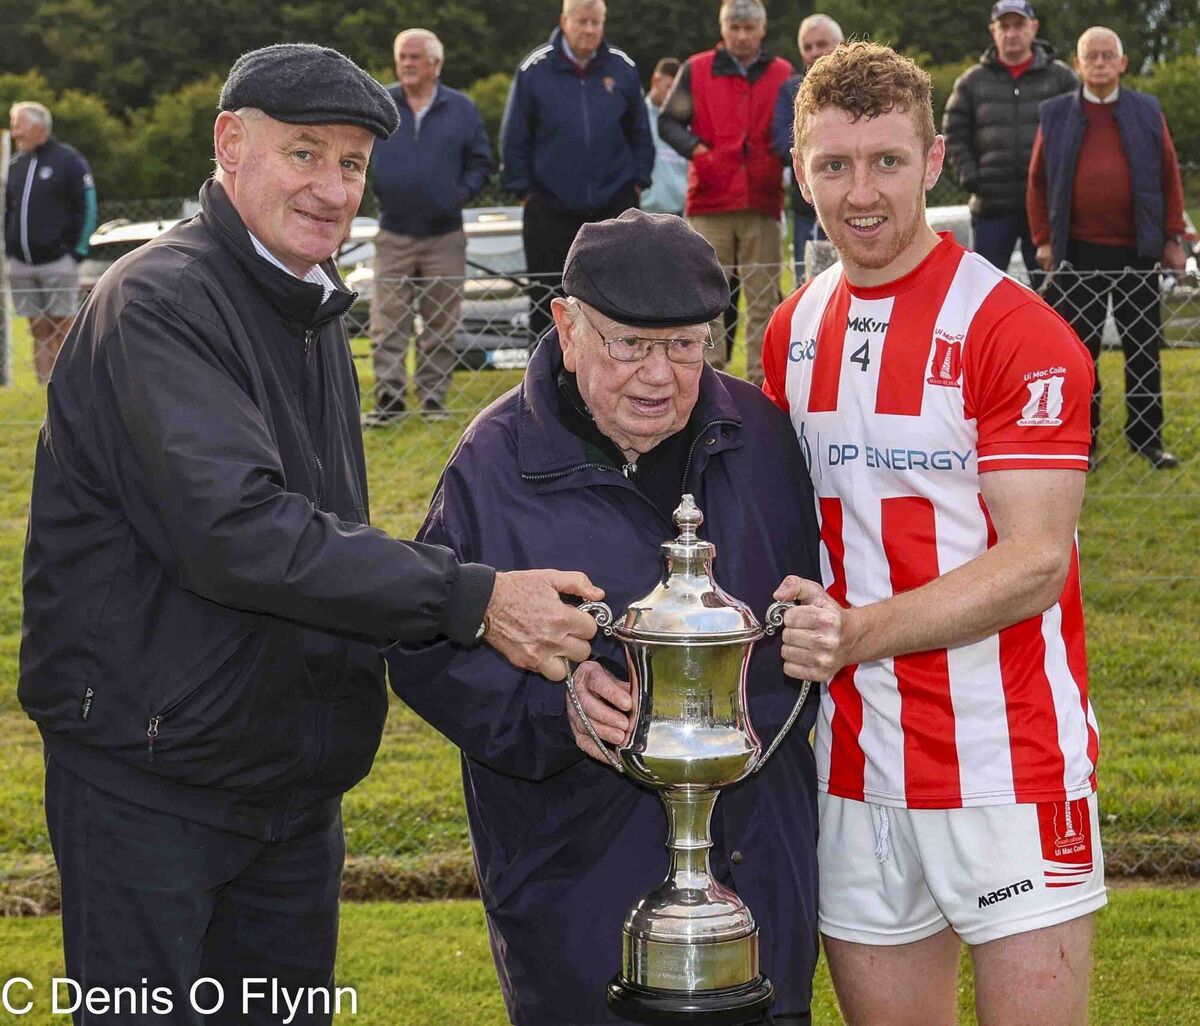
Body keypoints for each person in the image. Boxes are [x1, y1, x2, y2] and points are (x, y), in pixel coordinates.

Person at [19, 44, 605, 1026]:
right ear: (230, 146)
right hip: (154, 784)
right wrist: (475, 597)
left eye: (351, 164)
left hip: (288, 786)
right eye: (305, 154)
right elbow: (239, 533)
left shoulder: (307, 302)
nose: (332, 189)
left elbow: (326, 537)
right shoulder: (162, 300)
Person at [389, 209, 822, 1026]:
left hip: (761, 874)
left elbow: (817, 604)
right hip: (576, 880)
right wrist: (555, 713)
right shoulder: (494, 464)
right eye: (630, 344)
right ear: (567, 325)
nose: (659, 376)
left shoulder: (761, 436)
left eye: (687, 345)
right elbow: (424, 650)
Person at [763, 41, 1104, 1026]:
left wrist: (858, 634)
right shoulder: (791, 330)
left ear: (933, 160)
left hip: (1009, 764)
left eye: (886, 162)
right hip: (853, 768)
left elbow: (1036, 563)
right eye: (833, 165)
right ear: (800, 172)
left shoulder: (1014, 329)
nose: (859, 192)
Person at [1028, 26, 1186, 470]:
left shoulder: (1147, 111)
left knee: (1143, 347)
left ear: (1122, 63)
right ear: (1077, 65)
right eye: (1090, 56)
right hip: (1077, 254)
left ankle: (1147, 439)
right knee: (1081, 352)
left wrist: (1173, 236)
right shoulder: (1055, 114)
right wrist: (1043, 240)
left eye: (1106, 55)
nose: (1098, 63)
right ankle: (1085, 441)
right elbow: (1038, 183)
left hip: (1137, 251)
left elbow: (1169, 176)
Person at [500, 0, 653, 345]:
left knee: (619, 296)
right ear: (564, 21)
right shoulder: (534, 70)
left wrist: (637, 183)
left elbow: (641, 135)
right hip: (548, 210)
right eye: (582, 21)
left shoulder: (623, 68)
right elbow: (514, 138)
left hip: (612, 208)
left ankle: (616, 370)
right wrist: (526, 191)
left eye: (595, 22)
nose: (588, 30)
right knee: (546, 300)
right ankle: (545, 382)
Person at [658, 0, 793, 385]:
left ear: (761, 31)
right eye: (735, 28)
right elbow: (669, 122)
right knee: (706, 301)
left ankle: (763, 384)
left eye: (749, 29)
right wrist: (701, 152)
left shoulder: (782, 73)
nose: (742, 36)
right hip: (710, 200)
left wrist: (771, 157)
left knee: (764, 300)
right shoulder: (696, 69)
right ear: (723, 29)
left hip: (762, 201)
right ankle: (705, 383)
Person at [364, 28, 492, 425]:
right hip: (393, 232)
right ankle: (390, 400)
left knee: (441, 324)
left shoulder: (462, 109)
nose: (406, 63)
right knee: (387, 322)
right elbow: (356, 152)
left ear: (436, 64)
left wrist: (459, 195)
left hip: (445, 236)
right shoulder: (379, 102)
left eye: (415, 57)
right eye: (402, 55)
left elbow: (482, 162)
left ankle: (434, 400)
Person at [942, 0, 1075, 283]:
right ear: (993, 30)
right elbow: (953, 132)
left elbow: (1078, 133)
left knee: (1052, 293)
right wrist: (971, 176)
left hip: (1045, 209)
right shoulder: (972, 82)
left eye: (1019, 25)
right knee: (983, 290)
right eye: (1005, 26)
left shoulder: (1061, 78)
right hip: (991, 207)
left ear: (1033, 28)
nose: (1012, 33)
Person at [4, 101, 97, 384]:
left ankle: (70, 385)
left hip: (58, 263)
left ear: (37, 127)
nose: (14, 131)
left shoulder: (68, 161)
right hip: (21, 265)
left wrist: (76, 252)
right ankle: (44, 388)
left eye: (18, 124)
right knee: (38, 329)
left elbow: (88, 206)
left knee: (62, 327)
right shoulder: (16, 166)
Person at [772, 15, 843, 279]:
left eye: (821, 44)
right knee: (808, 283)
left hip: (854, 202)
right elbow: (781, 142)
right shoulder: (790, 91)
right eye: (807, 47)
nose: (814, 53)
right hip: (808, 208)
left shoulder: (861, 88)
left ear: (840, 44)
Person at [638, 58, 688, 216]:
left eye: (677, 90)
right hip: (644, 212)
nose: (671, 95)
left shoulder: (686, 124)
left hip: (681, 216)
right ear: (655, 81)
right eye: (669, 88)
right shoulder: (637, 118)